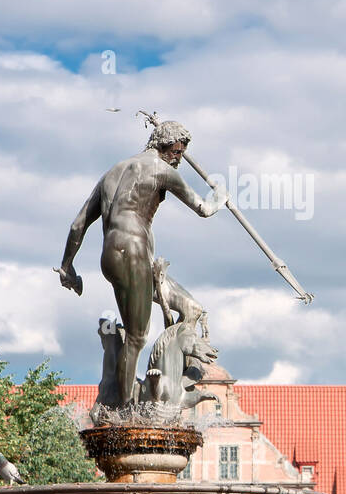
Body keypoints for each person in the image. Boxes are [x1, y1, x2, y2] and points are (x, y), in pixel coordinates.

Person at [58, 121, 227, 406]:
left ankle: (168, 385)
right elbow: (204, 208)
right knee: (137, 336)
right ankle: (126, 411)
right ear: (164, 146)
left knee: (191, 309)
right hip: (133, 252)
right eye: (177, 151)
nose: (178, 158)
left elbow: (78, 225)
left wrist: (68, 267)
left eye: (182, 153)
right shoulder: (162, 170)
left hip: (111, 256)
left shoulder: (113, 172)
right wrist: (221, 196)